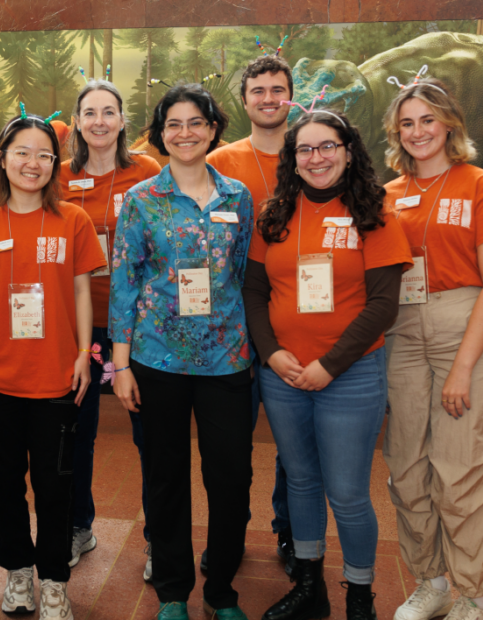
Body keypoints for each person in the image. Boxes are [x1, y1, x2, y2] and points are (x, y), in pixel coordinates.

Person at [243, 109, 412, 620]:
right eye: (305, 150)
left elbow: (383, 304)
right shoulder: (272, 214)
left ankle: (360, 596)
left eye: (327, 147)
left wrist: (329, 365)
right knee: (300, 481)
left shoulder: (374, 213)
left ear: (347, 151)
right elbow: (253, 292)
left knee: (348, 493)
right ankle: (309, 586)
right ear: (292, 159)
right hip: (284, 375)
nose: (316, 158)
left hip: (350, 374)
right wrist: (272, 354)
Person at [0, 111, 106, 620]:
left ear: (55, 163)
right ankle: (18, 575)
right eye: (21, 152)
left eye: (44, 154)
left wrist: (85, 354)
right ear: (2, 158)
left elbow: (83, 290)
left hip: (57, 378)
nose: (32, 163)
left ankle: (54, 581)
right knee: (4, 485)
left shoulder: (73, 221)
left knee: (55, 486)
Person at [110, 84, 254, 620]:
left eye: (196, 122)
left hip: (226, 358)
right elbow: (125, 283)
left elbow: (239, 272)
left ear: (214, 128)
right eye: (174, 123)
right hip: (157, 359)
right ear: (160, 133)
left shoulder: (238, 197)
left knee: (231, 476)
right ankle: (173, 589)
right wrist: (120, 366)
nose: (185, 133)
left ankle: (220, 588)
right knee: (165, 475)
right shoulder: (140, 201)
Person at [382, 77, 483, 620]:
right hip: (402, 331)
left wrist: (463, 367)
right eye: (406, 123)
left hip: (467, 326)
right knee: (408, 468)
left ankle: (472, 595)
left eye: (427, 121)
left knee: (462, 469)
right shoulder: (388, 196)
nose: (417, 132)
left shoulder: (481, 185)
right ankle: (431, 582)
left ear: (450, 125)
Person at [58, 78, 162, 576]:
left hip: (138, 328)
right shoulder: (57, 177)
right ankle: (79, 526)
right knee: (75, 432)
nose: (99, 121)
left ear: (122, 120)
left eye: (108, 112)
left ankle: (158, 538)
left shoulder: (147, 171)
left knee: (150, 432)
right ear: (76, 122)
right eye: (89, 113)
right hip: (78, 326)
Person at [206, 53, 295, 577]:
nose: (267, 98)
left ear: (291, 95)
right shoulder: (221, 162)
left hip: (291, 318)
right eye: (258, 90)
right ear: (244, 101)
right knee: (231, 446)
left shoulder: (313, 153)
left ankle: (289, 533)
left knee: (294, 446)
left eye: (277, 89)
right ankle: (230, 538)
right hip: (231, 326)